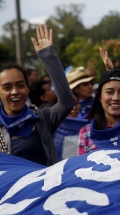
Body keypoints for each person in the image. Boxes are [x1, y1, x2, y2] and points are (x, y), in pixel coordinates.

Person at [0, 25, 74, 166]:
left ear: (28, 88)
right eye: (7, 87)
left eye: (20, 85)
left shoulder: (42, 119)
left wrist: (48, 56)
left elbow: (67, 102)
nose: (15, 91)